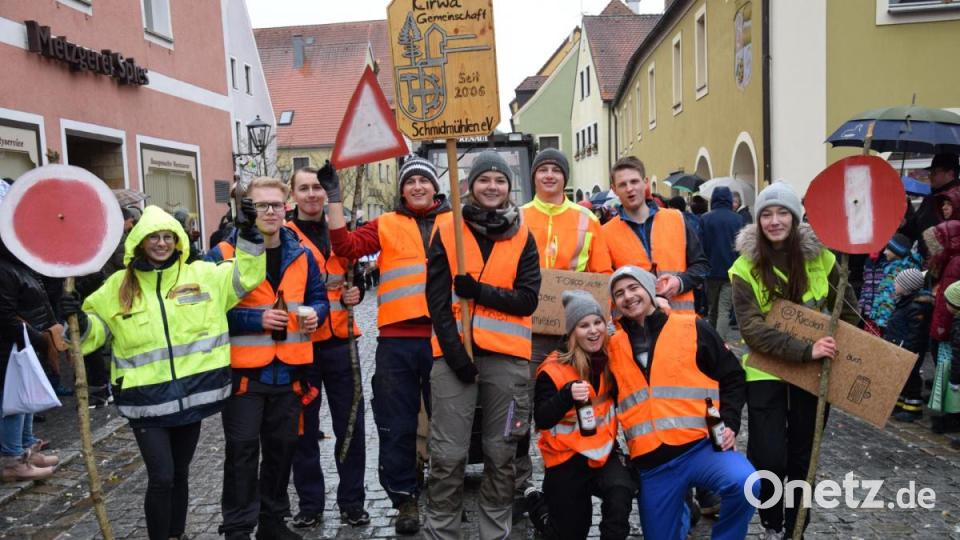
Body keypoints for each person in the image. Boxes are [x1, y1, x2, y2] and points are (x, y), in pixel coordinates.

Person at [62, 203, 265, 540]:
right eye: (153, 237)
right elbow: (93, 334)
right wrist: (79, 319)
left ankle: (176, 534)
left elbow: (247, 276)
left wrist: (249, 235)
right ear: (140, 241)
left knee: (180, 473)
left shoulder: (202, 275)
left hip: (191, 398)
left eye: (168, 236)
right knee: (162, 477)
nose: (161, 243)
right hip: (145, 402)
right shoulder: (117, 286)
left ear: (178, 240)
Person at [323, 156, 451, 535]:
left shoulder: (457, 222)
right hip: (397, 341)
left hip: (445, 339)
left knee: (449, 424)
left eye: (423, 181)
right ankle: (404, 498)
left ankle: (446, 496)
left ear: (435, 187)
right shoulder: (387, 224)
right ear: (402, 190)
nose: (417, 187)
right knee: (397, 424)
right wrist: (334, 198)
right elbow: (345, 246)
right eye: (410, 182)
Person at [729, 182, 859, 538]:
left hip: (814, 373)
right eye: (767, 214)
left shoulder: (824, 259)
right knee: (769, 457)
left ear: (795, 217)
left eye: (782, 213)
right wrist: (805, 349)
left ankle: (795, 528)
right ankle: (772, 520)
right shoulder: (744, 267)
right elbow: (752, 330)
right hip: (765, 371)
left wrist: (848, 354)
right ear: (758, 221)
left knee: (803, 456)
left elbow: (847, 311)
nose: (774, 221)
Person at [425, 151, 541, 539]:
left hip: (507, 360)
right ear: (471, 185)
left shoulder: (524, 235)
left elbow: (528, 300)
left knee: (501, 452)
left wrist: (479, 292)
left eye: (500, 180)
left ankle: (495, 531)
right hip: (455, 359)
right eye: (484, 179)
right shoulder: (447, 229)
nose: (492, 187)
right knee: (447, 453)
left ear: (510, 187)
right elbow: (437, 302)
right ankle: (443, 530)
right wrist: (456, 356)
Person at [206, 177, 329, 540]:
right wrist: (253, 318)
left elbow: (319, 298)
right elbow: (205, 312)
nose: (271, 212)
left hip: (290, 372)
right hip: (245, 375)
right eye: (262, 205)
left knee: (281, 451)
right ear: (247, 210)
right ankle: (238, 528)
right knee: (242, 452)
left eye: (277, 205)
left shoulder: (301, 254)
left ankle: (273, 523)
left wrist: (317, 314)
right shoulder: (223, 254)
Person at [606, 266, 756, 539]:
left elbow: (733, 376)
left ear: (649, 290)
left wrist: (730, 424)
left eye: (634, 287)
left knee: (746, 484)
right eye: (619, 293)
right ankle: (683, 513)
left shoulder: (692, 327)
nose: (627, 296)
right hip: (653, 466)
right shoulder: (612, 346)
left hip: (700, 449)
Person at [517, 148, 611, 496]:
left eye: (556, 170)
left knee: (579, 398)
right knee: (522, 402)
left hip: (573, 330)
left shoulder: (587, 219)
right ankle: (521, 482)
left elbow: (601, 273)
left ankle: (573, 464)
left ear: (565, 178)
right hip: (527, 327)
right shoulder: (518, 216)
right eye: (543, 170)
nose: (549, 175)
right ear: (534, 177)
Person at [284, 167, 366, 529]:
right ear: (293, 195)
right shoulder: (285, 235)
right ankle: (310, 503)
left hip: (341, 341)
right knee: (303, 428)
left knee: (351, 424)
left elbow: (355, 275)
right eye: (304, 188)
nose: (312, 194)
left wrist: (356, 291)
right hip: (302, 344)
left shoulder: (339, 230)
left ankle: (352, 502)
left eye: (317, 187)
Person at [535, 290, 635, 540]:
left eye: (597, 322)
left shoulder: (610, 360)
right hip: (565, 458)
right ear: (572, 333)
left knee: (621, 491)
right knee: (570, 531)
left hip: (602, 455)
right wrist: (566, 395)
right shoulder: (553, 369)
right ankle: (539, 509)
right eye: (584, 325)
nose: (593, 331)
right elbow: (542, 419)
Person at [603, 157, 708, 314]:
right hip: (634, 324)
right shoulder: (605, 233)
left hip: (679, 320)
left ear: (645, 182)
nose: (629, 188)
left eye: (634, 181)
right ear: (614, 189)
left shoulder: (677, 219)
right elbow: (607, 285)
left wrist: (680, 282)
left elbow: (701, 265)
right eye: (622, 184)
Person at [1, 237, 60, 482]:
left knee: (26, 398)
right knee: (14, 400)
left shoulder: (21, 263)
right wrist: (39, 339)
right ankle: (13, 460)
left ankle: (27, 449)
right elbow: (5, 316)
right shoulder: (4, 268)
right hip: (10, 346)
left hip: (26, 342)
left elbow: (41, 299)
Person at [923, 219, 960, 433]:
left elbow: (952, 301)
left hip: (948, 327)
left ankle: (950, 417)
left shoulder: (955, 263)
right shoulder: (950, 260)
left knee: (948, 373)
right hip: (947, 325)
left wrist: (942, 330)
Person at [884, 268, 933, 422]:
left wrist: (909, 349)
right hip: (899, 345)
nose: (894, 285)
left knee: (911, 376)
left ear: (907, 287)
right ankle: (901, 402)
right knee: (902, 376)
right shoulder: (904, 302)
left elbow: (916, 333)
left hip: (909, 349)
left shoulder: (916, 307)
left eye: (897, 283)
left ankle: (913, 407)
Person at [700, 187, 745, 342]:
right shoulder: (738, 219)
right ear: (729, 200)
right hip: (731, 270)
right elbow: (742, 247)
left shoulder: (705, 218)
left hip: (710, 270)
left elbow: (701, 246)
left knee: (712, 309)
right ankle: (720, 342)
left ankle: (711, 340)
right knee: (724, 309)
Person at [901, 153, 960, 244]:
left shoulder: (955, 199)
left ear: (950, 173)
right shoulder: (931, 197)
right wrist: (904, 224)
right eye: (930, 172)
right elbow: (917, 227)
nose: (930, 176)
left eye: (935, 172)